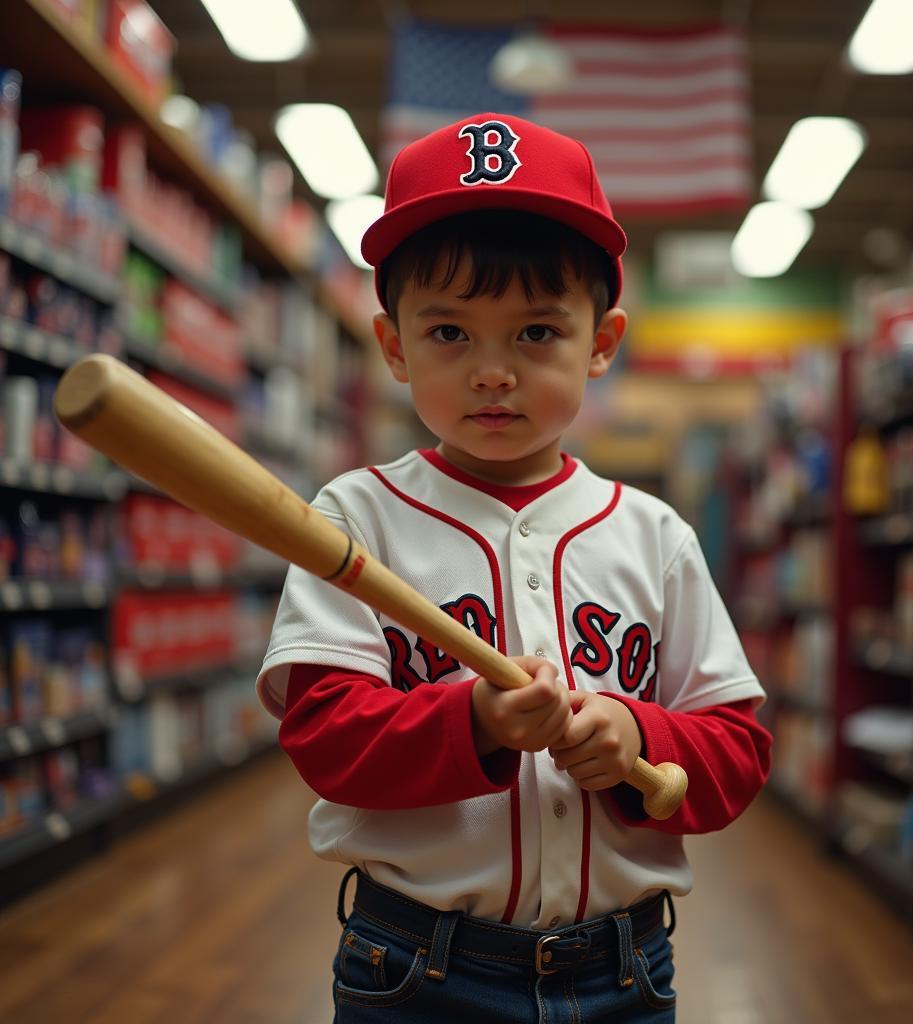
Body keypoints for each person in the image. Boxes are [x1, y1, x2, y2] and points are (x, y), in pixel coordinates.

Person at [256, 112, 772, 1023]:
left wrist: (641, 738)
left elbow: (734, 753)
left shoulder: (654, 535)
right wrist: (477, 722)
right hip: (416, 968)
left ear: (602, 343)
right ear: (394, 347)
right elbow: (327, 739)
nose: (492, 371)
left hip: (625, 971)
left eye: (536, 333)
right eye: (450, 333)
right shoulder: (354, 516)